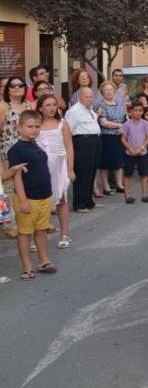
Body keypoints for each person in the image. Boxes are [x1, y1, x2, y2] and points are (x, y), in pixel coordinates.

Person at [7, 110, 57, 280]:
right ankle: (27, 267)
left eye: (37, 126)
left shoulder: (36, 145)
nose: (34, 130)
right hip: (28, 198)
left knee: (41, 230)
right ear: (19, 127)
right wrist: (22, 200)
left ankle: (44, 261)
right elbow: (17, 176)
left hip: (44, 195)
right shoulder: (16, 150)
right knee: (24, 232)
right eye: (30, 126)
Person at [34, 94, 74, 249]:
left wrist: (70, 169)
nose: (51, 108)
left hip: (59, 166)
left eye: (53, 105)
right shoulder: (35, 124)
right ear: (40, 108)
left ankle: (64, 234)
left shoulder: (62, 123)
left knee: (62, 199)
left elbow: (69, 146)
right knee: (38, 202)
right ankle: (37, 236)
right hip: (40, 167)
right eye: (47, 105)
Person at [1, 77, 33, 238]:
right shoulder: (3, 107)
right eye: (12, 86)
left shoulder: (29, 106)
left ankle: (26, 229)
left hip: (27, 154)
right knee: (9, 191)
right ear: (7, 90)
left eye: (20, 85)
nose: (16, 88)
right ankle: (10, 225)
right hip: (8, 155)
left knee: (26, 192)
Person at [65, 87, 100, 213]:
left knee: (91, 171)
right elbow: (68, 129)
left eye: (91, 97)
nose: (89, 99)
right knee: (82, 172)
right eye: (87, 97)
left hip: (94, 140)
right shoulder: (74, 111)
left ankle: (88, 201)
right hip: (82, 142)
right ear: (80, 97)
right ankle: (79, 203)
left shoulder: (89, 109)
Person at [95, 81, 126, 196]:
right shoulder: (101, 105)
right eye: (106, 90)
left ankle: (119, 184)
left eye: (110, 90)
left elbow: (124, 118)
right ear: (102, 92)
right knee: (105, 163)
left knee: (118, 161)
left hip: (118, 136)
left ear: (114, 91)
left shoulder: (119, 103)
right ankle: (106, 186)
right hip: (106, 137)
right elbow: (104, 123)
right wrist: (119, 126)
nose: (108, 92)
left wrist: (124, 128)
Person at [120, 104, 148, 204]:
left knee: (144, 174)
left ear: (142, 112)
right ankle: (127, 196)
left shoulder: (145, 124)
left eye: (140, 110)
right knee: (128, 174)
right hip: (129, 153)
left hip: (142, 152)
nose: (137, 112)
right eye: (135, 110)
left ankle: (144, 195)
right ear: (131, 112)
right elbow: (123, 138)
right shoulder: (127, 124)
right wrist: (130, 149)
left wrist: (142, 148)